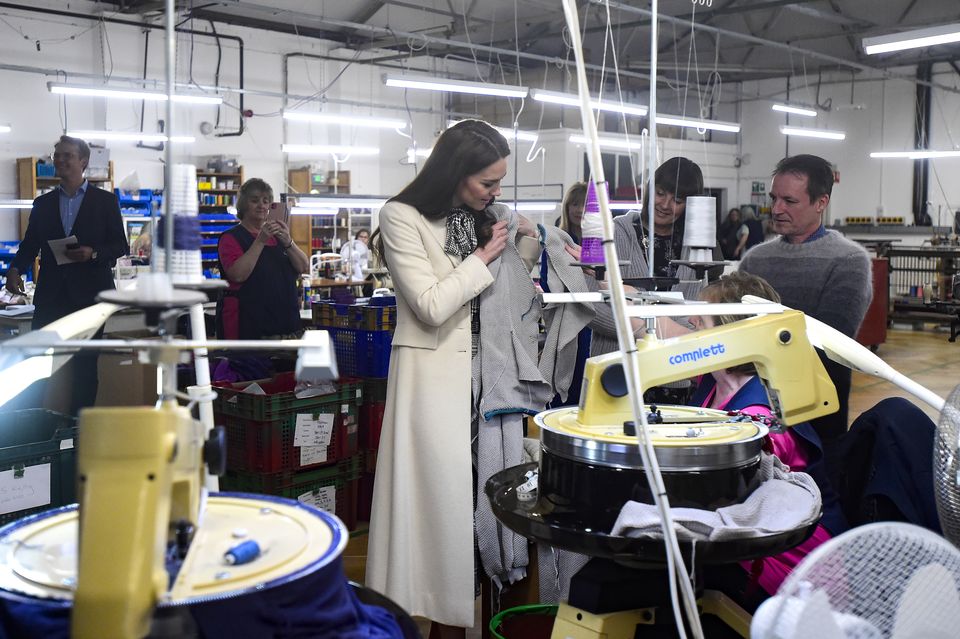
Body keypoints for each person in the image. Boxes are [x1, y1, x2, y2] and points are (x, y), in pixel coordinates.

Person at [365, 120, 542, 638]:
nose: (496, 193)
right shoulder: (401, 217)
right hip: (435, 385)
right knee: (438, 516)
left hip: (488, 387)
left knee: (480, 510)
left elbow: (507, 292)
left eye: (500, 183)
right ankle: (436, 624)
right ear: (455, 172)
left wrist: (529, 243)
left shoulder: (483, 216)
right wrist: (485, 256)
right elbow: (431, 305)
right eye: (487, 183)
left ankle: (464, 625)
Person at [688, 272, 846, 610]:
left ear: (732, 332)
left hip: (788, 554)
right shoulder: (715, 382)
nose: (691, 322)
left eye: (701, 319)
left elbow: (750, 470)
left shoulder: (764, 409)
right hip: (747, 532)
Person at [738, 154, 872, 487]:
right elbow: (733, 328)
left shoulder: (849, 261)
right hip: (751, 411)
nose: (776, 209)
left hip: (818, 420)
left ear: (820, 202)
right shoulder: (756, 258)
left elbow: (830, 340)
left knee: (819, 505)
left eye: (789, 200)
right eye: (774, 199)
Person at [5, 135, 128, 413]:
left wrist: (92, 252)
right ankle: (32, 428)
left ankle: (77, 431)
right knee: (36, 364)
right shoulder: (43, 204)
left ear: (82, 162)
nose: (59, 160)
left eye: (66, 155)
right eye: (56, 155)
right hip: (51, 297)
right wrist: (15, 269)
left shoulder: (105, 202)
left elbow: (120, 245)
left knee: (85, 366)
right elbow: (29, 245)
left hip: (91, 299)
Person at [587, 156, 706, 357]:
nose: (665, 205)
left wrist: (651, 328)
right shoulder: (614, 233)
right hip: (620, 367)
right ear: (650, 189)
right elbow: (592, 308)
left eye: (677, 200)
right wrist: (652, 330)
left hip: (675, 373)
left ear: (690, 205)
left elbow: (695, 314)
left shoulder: (695, 248)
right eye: (660, 193)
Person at [216, 179, 309, 339]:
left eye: (266, 201)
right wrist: (260, 240)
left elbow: (303, 266)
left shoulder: (279, 238)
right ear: (244, 205)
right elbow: (237, 275)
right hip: (250, 331)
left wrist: (288, 241)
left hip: (287, 327)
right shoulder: (231, 238)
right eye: (254, 201)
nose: (262, 205)